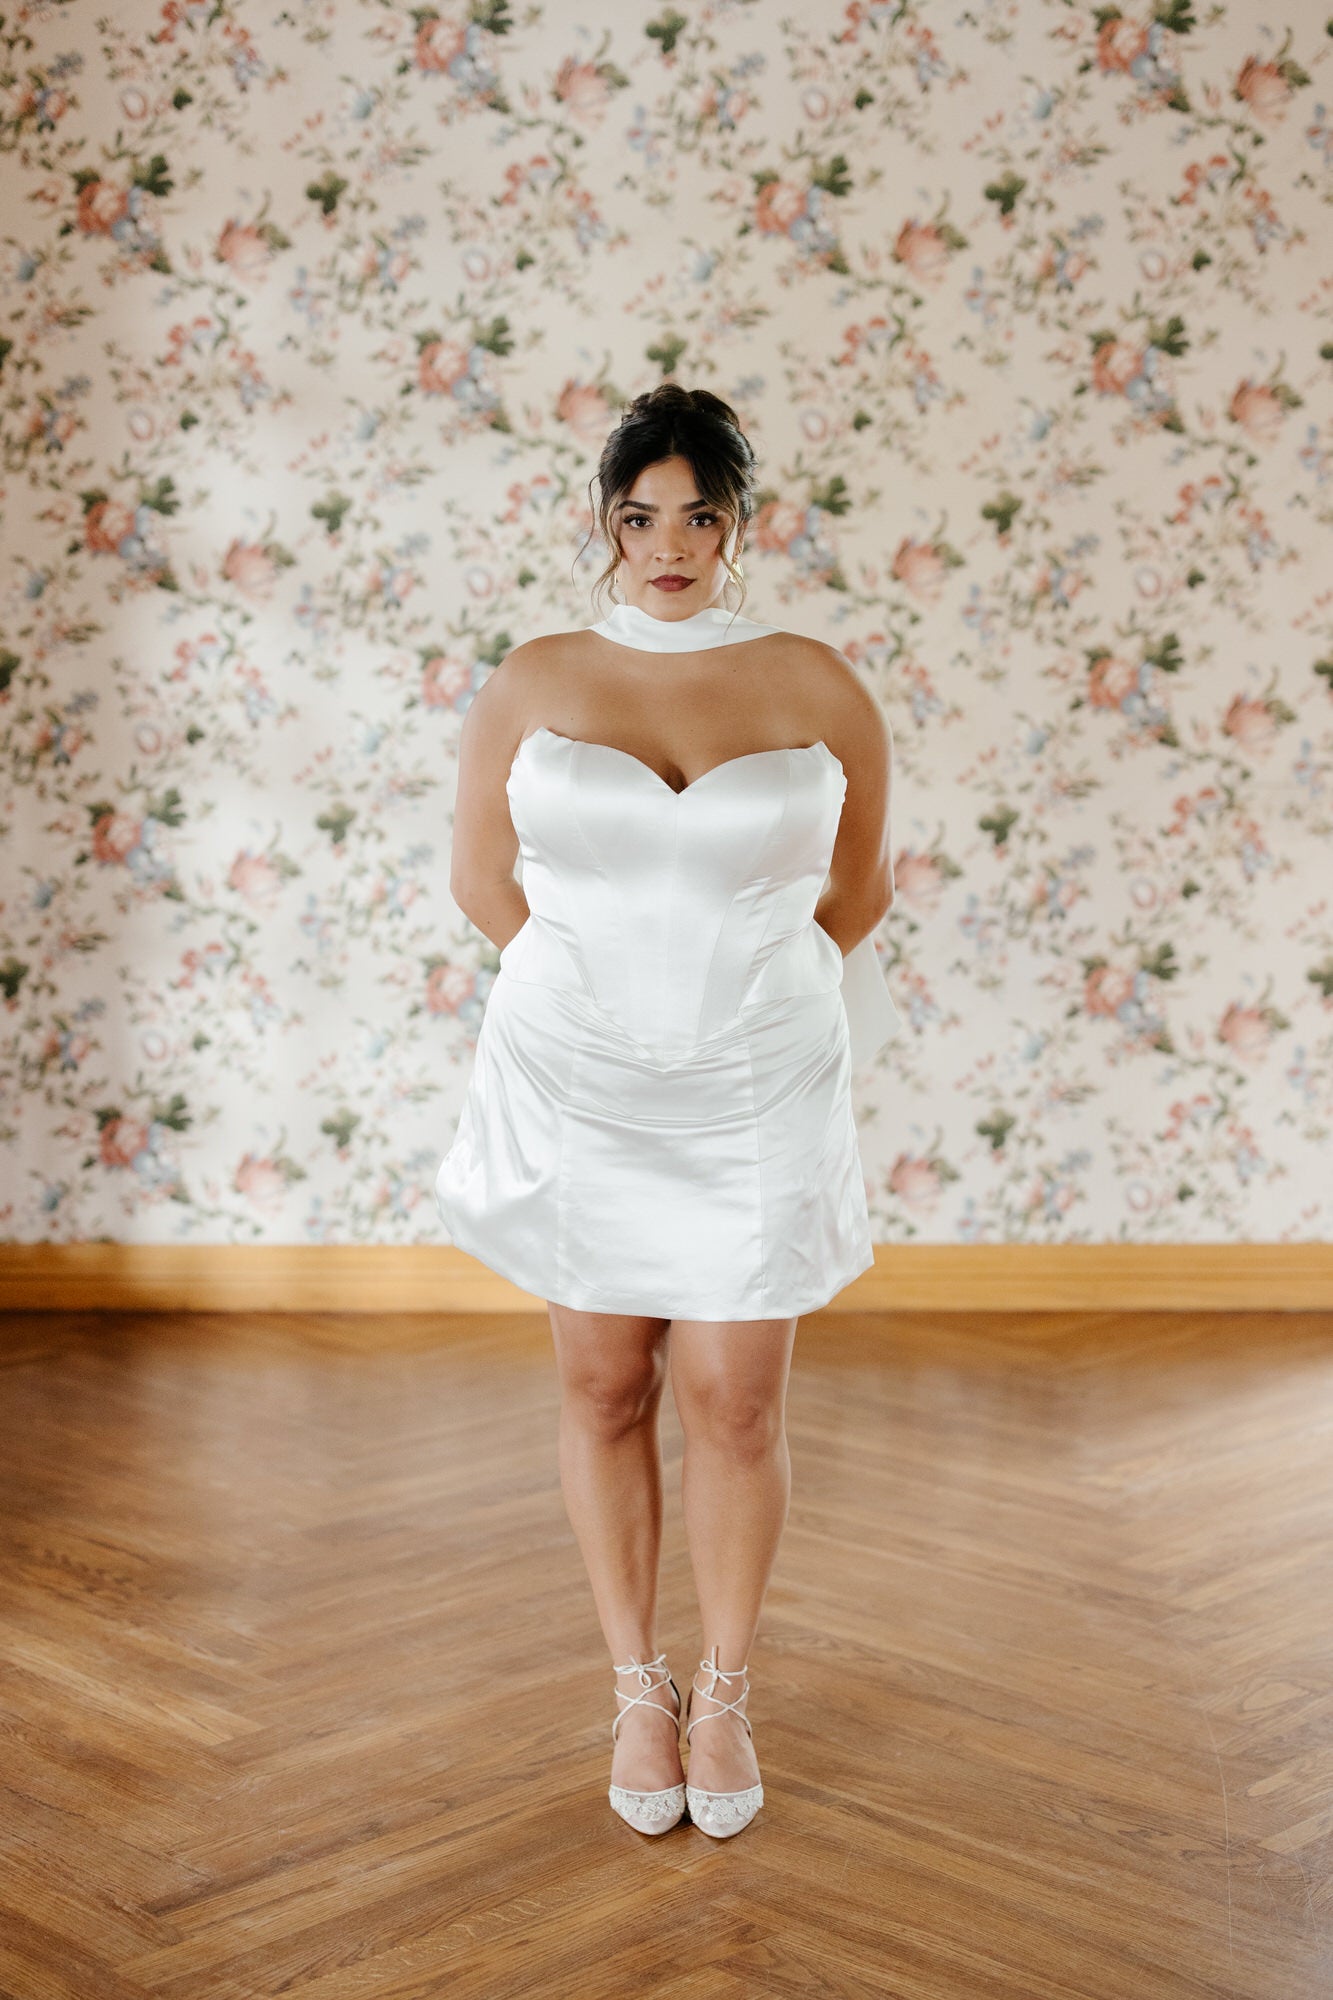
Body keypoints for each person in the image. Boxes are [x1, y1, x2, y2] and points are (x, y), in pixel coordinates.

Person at [436, 384, 898, 1839]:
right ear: (605, 526)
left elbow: (861, 885)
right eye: (641, 517)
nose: (669, 544)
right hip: (578, 1078)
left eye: (699, 516)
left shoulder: (816, 685)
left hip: (756, 1080)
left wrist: (756, 1002)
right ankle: (636, 1683)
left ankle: (727, 1684)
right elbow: (479, 880)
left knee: (734, 1397)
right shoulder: (534, 679)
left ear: (737, 527)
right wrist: (587, 1001)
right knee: (602, 1386)